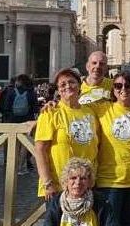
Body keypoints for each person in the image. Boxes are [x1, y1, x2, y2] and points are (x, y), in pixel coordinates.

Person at [92, 71, 130, 226]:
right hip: (109, 179)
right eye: (118, 86)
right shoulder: (102, 109)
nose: (123, 89)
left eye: (128, 85)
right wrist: (51, 108)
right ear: (113, 89)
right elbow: (75, 109)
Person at [35, 68, 99, 203]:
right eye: (62, 84)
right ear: (58, 90)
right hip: (59, 185)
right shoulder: (50, 112)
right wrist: (47, 183)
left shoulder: (90, 112)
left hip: (86, 185)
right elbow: (40, 150)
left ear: (79, 85)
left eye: (72, 82)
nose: (68, 86)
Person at [44, 157, 115, 226]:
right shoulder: (56, 202)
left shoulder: (100, 201)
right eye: (73, 178)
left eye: (83, 178)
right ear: (66, 181)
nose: (78, 182)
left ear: (89, 181)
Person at [2, 74, 38, 175]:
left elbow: (6, 107)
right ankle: (21, 168)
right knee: (25, 145)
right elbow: (35, 109)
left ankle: (12, 166)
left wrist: (9, 117)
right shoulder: (32, 92)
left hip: (13, 120)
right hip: (27, 121)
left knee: (14, 144)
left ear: (20, 81)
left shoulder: (11, 92)